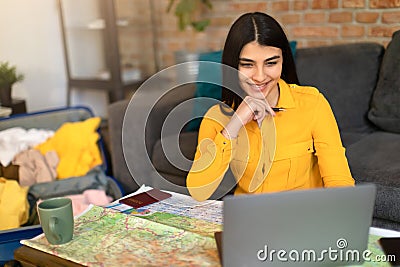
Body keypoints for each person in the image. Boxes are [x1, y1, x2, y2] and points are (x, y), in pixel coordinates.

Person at [186, 12, 354, 201]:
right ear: (233, 66)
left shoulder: (312, 103)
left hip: (303, 216)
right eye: (248, 65)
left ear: (283, 61)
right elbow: (199, 191)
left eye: (271, 63)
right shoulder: (217, 117)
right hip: (251, 217)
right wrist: (234, 125)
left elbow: (339, 181)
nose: (259, 76)